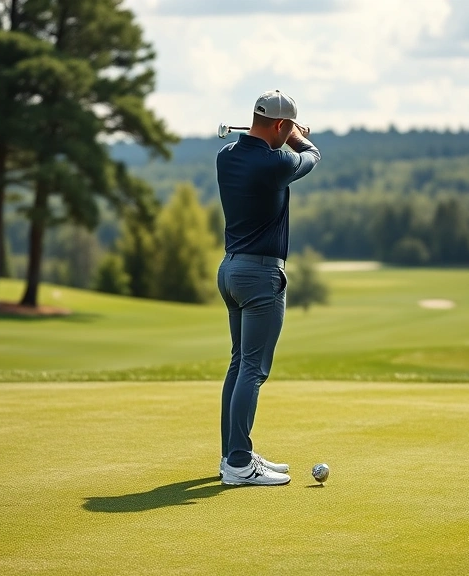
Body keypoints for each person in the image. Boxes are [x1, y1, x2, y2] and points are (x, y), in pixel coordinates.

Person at [215, 90, 321, 486]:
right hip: (260, 277)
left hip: (230, 271)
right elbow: (312, 157)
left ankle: (233, 456)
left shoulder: (226, 156)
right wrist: (299, 137)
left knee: (239, 363)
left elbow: (268, 145)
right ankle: (240, 464)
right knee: (253, 370)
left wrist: (285, 133)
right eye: (286, 127)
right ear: (280, 125)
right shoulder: (275, 163)